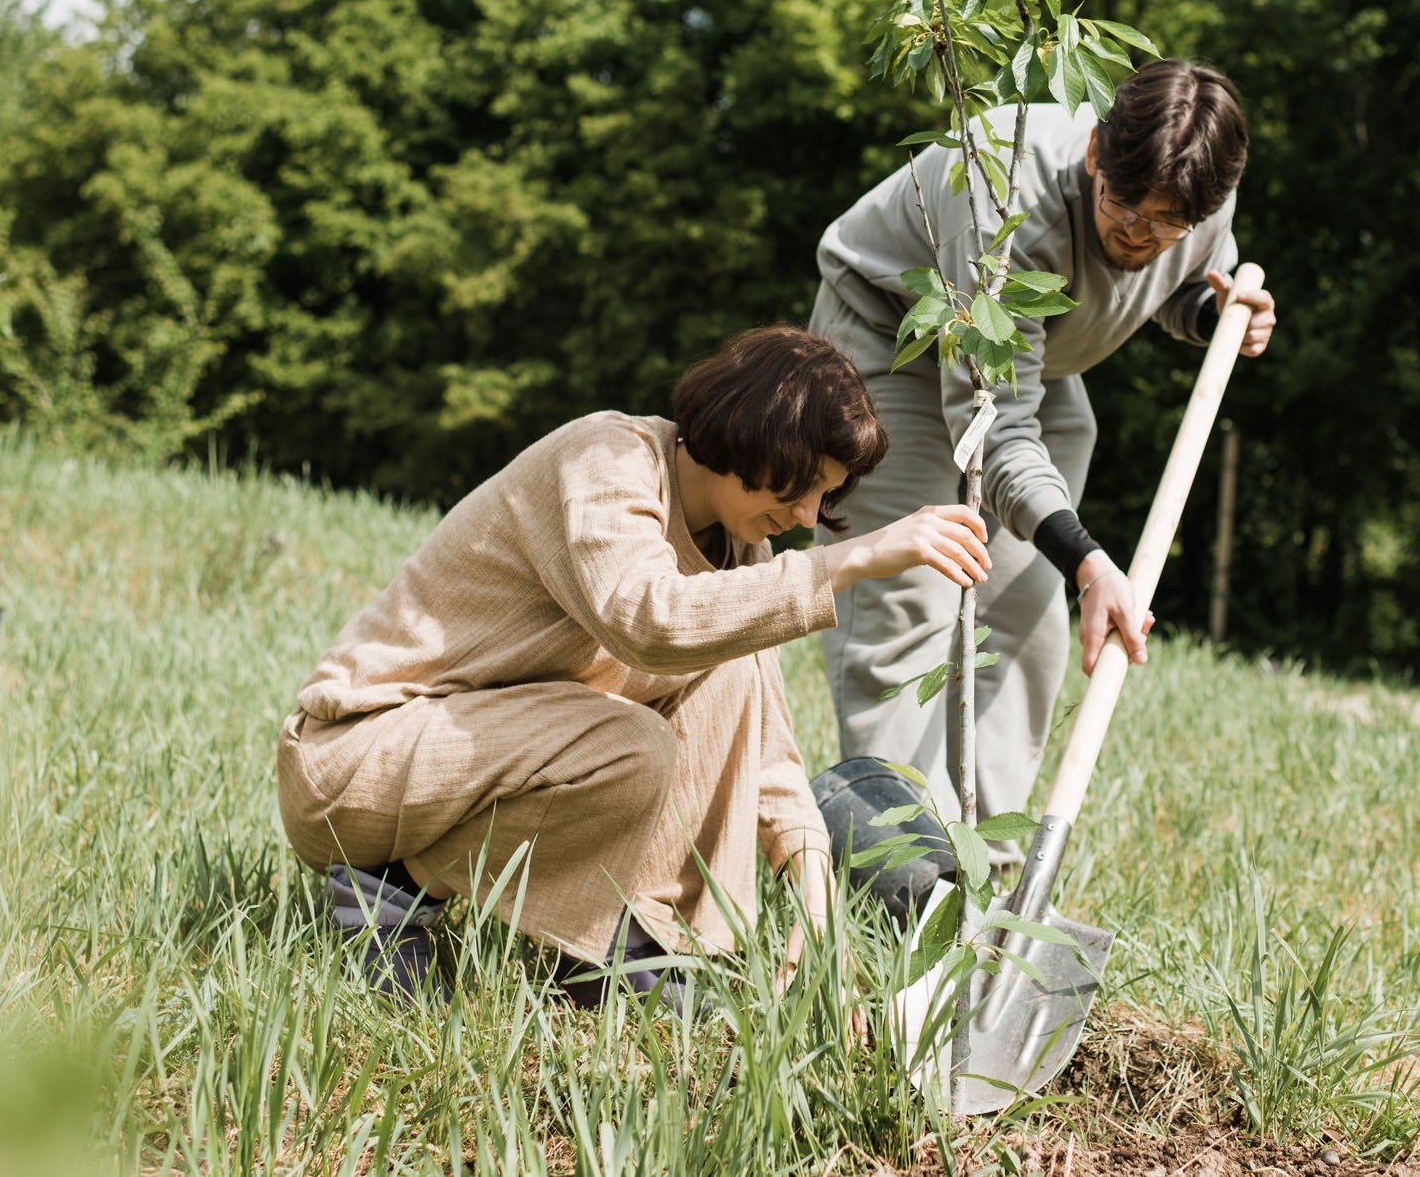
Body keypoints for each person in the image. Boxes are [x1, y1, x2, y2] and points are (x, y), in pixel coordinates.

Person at [274, 326, 991, 1001]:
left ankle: (626, 945)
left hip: (475, 757)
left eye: (826, 496)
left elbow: (766, 749)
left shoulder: (740, 547)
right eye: (799, 485)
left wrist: (813, 880)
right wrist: (850, 560)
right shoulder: (606, 460)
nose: (809, 515)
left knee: (731, 670)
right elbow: (647, 620)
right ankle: (391, 894)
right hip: (358, 761)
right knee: (632, 745)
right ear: (750, 434)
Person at [808, 58, 1278, 842]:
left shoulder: (1198, 195)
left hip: (1032, 363)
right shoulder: (1001, 199)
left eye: (1169, 226)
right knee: (912, 592)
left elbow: (1172, 279)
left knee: (1026, 613)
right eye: (1125, 208)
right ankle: (898, 869)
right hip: (896, 340)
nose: (1141, 236)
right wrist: (1092, 564)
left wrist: (1209, 312)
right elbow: (994, 428)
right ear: (1096, 151)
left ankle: (986, 866)